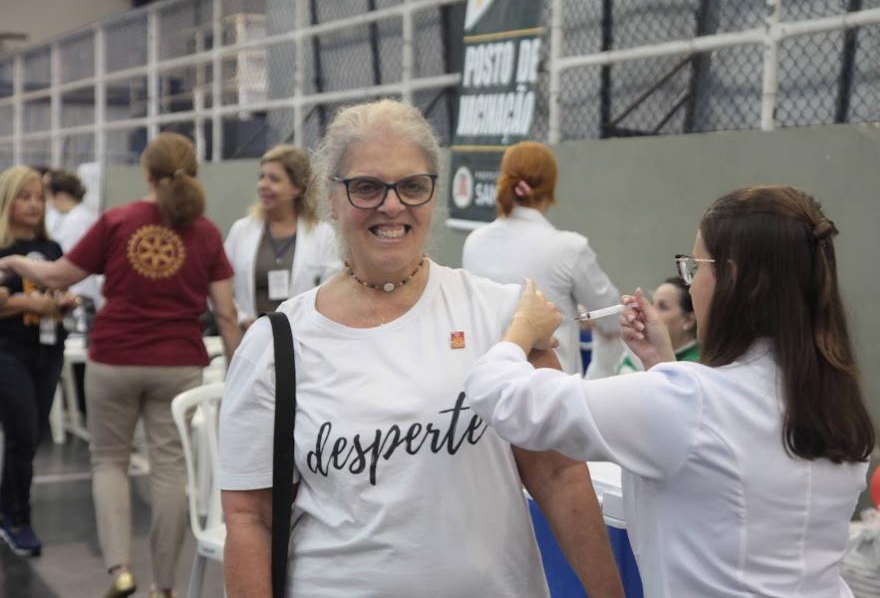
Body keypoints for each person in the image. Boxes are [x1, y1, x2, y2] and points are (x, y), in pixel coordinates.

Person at [218, 99, 624, 598]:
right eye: (367, 187)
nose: (392, 205)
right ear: (332, 198)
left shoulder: (502, 318)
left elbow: (561, 478)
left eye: (412, 186)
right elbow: (249, 515)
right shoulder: (276, 344)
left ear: (434, 194)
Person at [464, 185, 875, 598]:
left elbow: (502, 396)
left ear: (733, 278)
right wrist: (661, 364)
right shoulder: (836, 405)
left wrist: (522, 327)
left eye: (695, 269)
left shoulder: (690, 402)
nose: (691, 287)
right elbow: (714, 470)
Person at [0, 133, 242, 598]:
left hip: (114, 358)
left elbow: (56, 276)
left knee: (108, 461)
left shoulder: (118, 220)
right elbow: (227, 314)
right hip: (178, 362)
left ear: (146, 174)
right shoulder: (207, 232)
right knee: (170, 468)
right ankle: (165, 586)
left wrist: (13, 261)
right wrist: (238, 372)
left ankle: (121, 572)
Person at [462, 141, 620, 375]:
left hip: (487, 385)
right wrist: (587, 316)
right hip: (550, 393)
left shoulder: (474, 242)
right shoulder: (568, 248)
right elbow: (613, 317)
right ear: (551, 186)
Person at [0, 166, 78, 557]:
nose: (33, 204)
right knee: (23, 432)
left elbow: (61, 291)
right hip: (9, 351)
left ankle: (7, 506)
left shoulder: (53, 250)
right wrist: (32, 302)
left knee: (30, 438)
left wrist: (61, 304)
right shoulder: (2, 248)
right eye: (24, 196)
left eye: (39, 197)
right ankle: (19, 518)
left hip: (49, 349)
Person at [224, 145, 340, 330]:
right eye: (261, 177)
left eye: (274, 179)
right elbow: (220, 288)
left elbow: (334, 292)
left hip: (303, 336)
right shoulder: (241, 231)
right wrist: (241, 318)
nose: (263, 185)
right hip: (250, 335)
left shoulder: (322, 235)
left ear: (297, 188)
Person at [44, 169, 102, 309]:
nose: (49, 202)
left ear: (61, 195)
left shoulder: (77, 221)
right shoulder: (70, 217)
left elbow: (69, 261)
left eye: (48, 196)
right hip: (74, 290)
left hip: (79, 293)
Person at [615, 277, 697, 373]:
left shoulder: (698, 367)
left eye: (663, 307)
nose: (651, 312)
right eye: (652, 304)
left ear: (688, 320)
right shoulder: (636, 352)